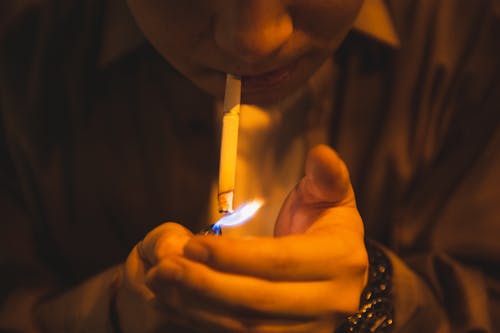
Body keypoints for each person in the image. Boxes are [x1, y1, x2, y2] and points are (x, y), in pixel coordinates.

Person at [0, 0, 499, 332]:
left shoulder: (471, 41)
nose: (253, 41)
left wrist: (379, 294)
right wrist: (115, 314)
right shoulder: (25, 57)